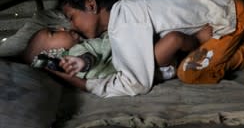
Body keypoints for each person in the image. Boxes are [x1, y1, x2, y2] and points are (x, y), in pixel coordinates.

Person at [50, 0, 244, 97]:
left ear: (91, 5)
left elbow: (135, 85)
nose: (73, 26)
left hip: (228, 18)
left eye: (71, 17)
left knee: (190, 72)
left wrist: (82, 84)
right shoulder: (123, 15)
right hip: (219, 9)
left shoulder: (123, 22)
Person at [22, 26, 211, 81]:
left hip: (142, 54)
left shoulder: (84, 42)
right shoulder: (72, 58)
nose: (62, 27)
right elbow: (90, 59)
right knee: (174, 39)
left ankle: (195, 46)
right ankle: (199, 41)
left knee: (171, 39)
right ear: (53, 53)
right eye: (53, 33)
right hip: (146, 66)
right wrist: (82, 62)